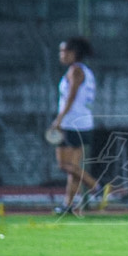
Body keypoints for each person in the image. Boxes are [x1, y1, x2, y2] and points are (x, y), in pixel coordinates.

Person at [50, 36, 109, 215]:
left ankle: (96, 186)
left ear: (73, 53)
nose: (61, 55)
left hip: (71, 123)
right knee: (73, 168)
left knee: (63, 164)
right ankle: (68, 205)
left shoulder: (75, 71)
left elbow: (71, 97)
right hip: (83, 123)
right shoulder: (86, 71)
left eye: (63, 51)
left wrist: (58, 119)